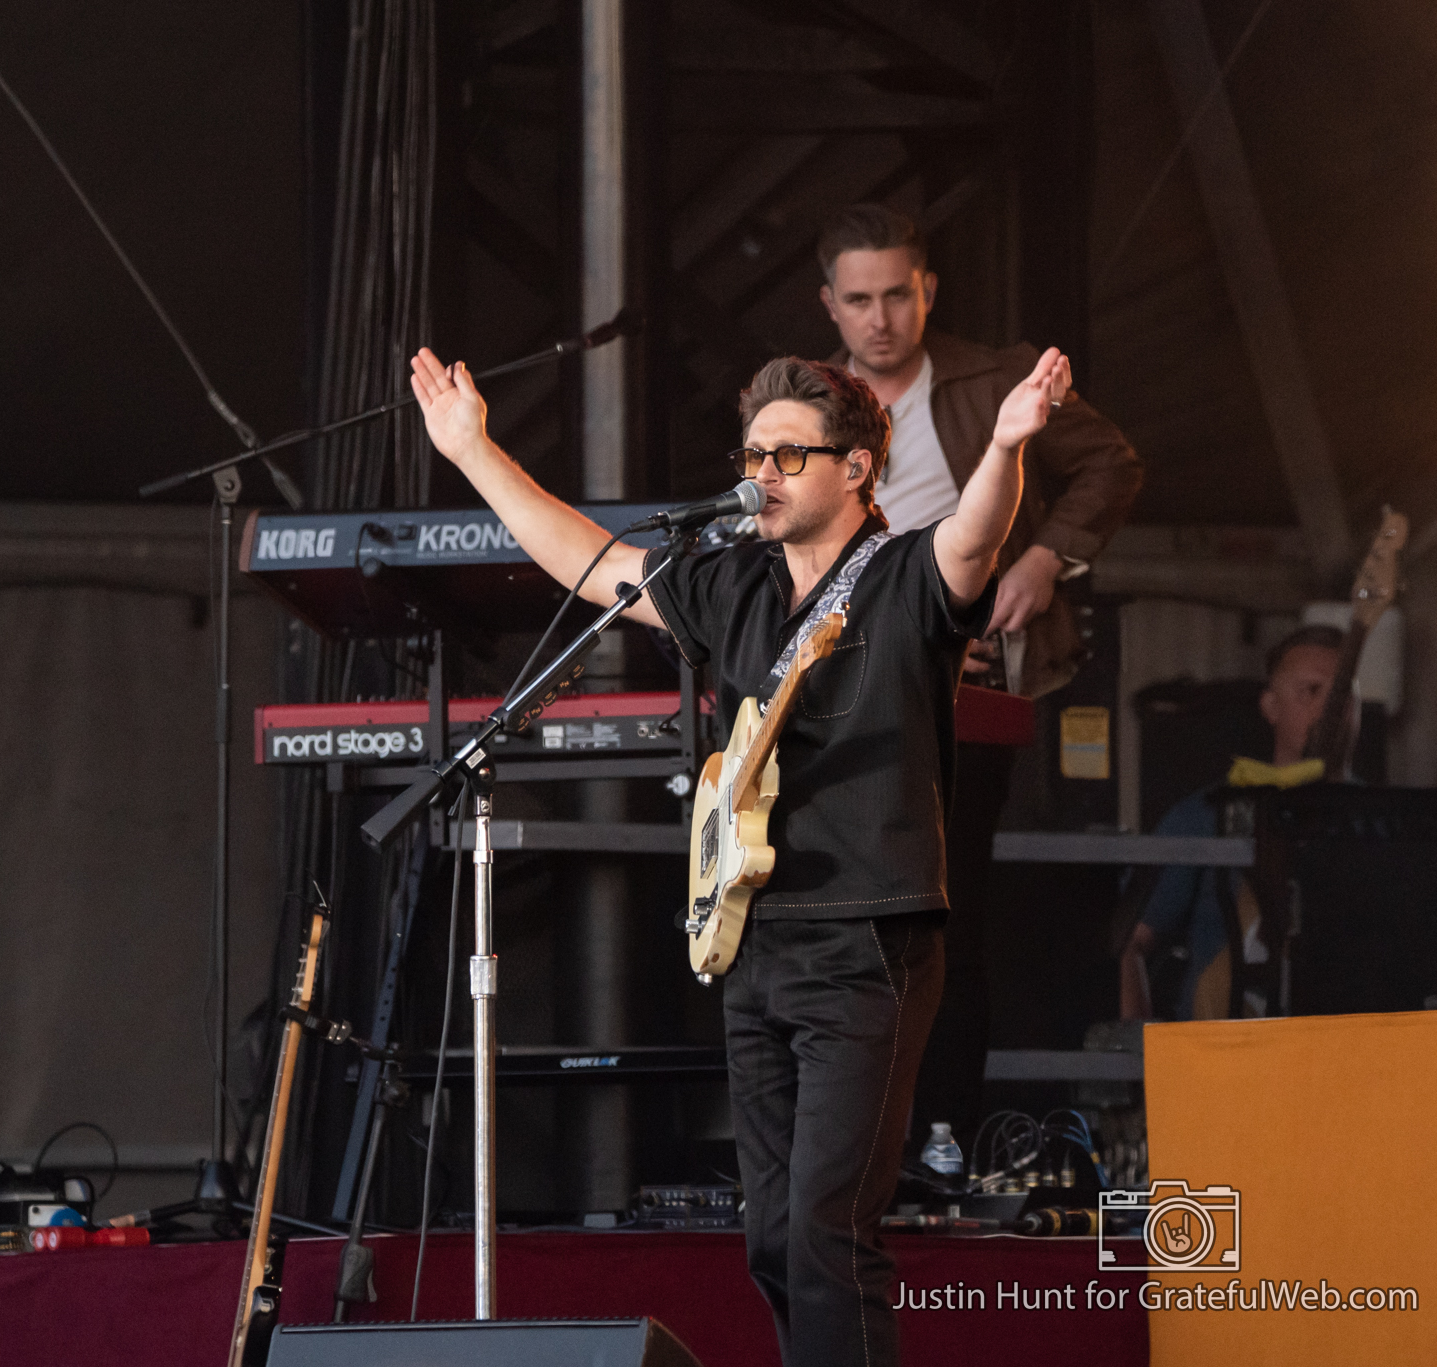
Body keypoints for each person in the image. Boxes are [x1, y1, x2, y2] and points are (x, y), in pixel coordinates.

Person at [408, 339, 1066, 1366]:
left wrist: (1007, 448)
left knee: (823, 1230)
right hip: (752, 943)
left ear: (855, 467)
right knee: (769, 1233)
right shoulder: (736, 586)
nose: (758, 471)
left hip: (867, 942)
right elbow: (596, 566)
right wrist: (472, 451)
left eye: (787, 454)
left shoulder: (898, 575)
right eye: (751, 451)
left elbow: (973, 541)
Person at [814, 202, 1143, 1152]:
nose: (880, 318)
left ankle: (945, 1130)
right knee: (840, 919)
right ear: (829, 305)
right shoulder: (803, 402)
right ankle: (847, 1144)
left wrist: (1044, 560)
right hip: (835, 694)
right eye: (860, 299)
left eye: (897, 296)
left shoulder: (995, 376)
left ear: (928, 292)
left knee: (945, 913)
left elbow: (1112, 465)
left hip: (963, 686)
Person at [1118, 625, 1343, 1021]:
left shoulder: (1384, 823)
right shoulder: (1203, 816)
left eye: (1344, 694)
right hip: (1222, 1055)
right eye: (1311, 691)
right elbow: (1129, 940)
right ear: (1271, 706)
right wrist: (1141, 1063)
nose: (1330, 709)